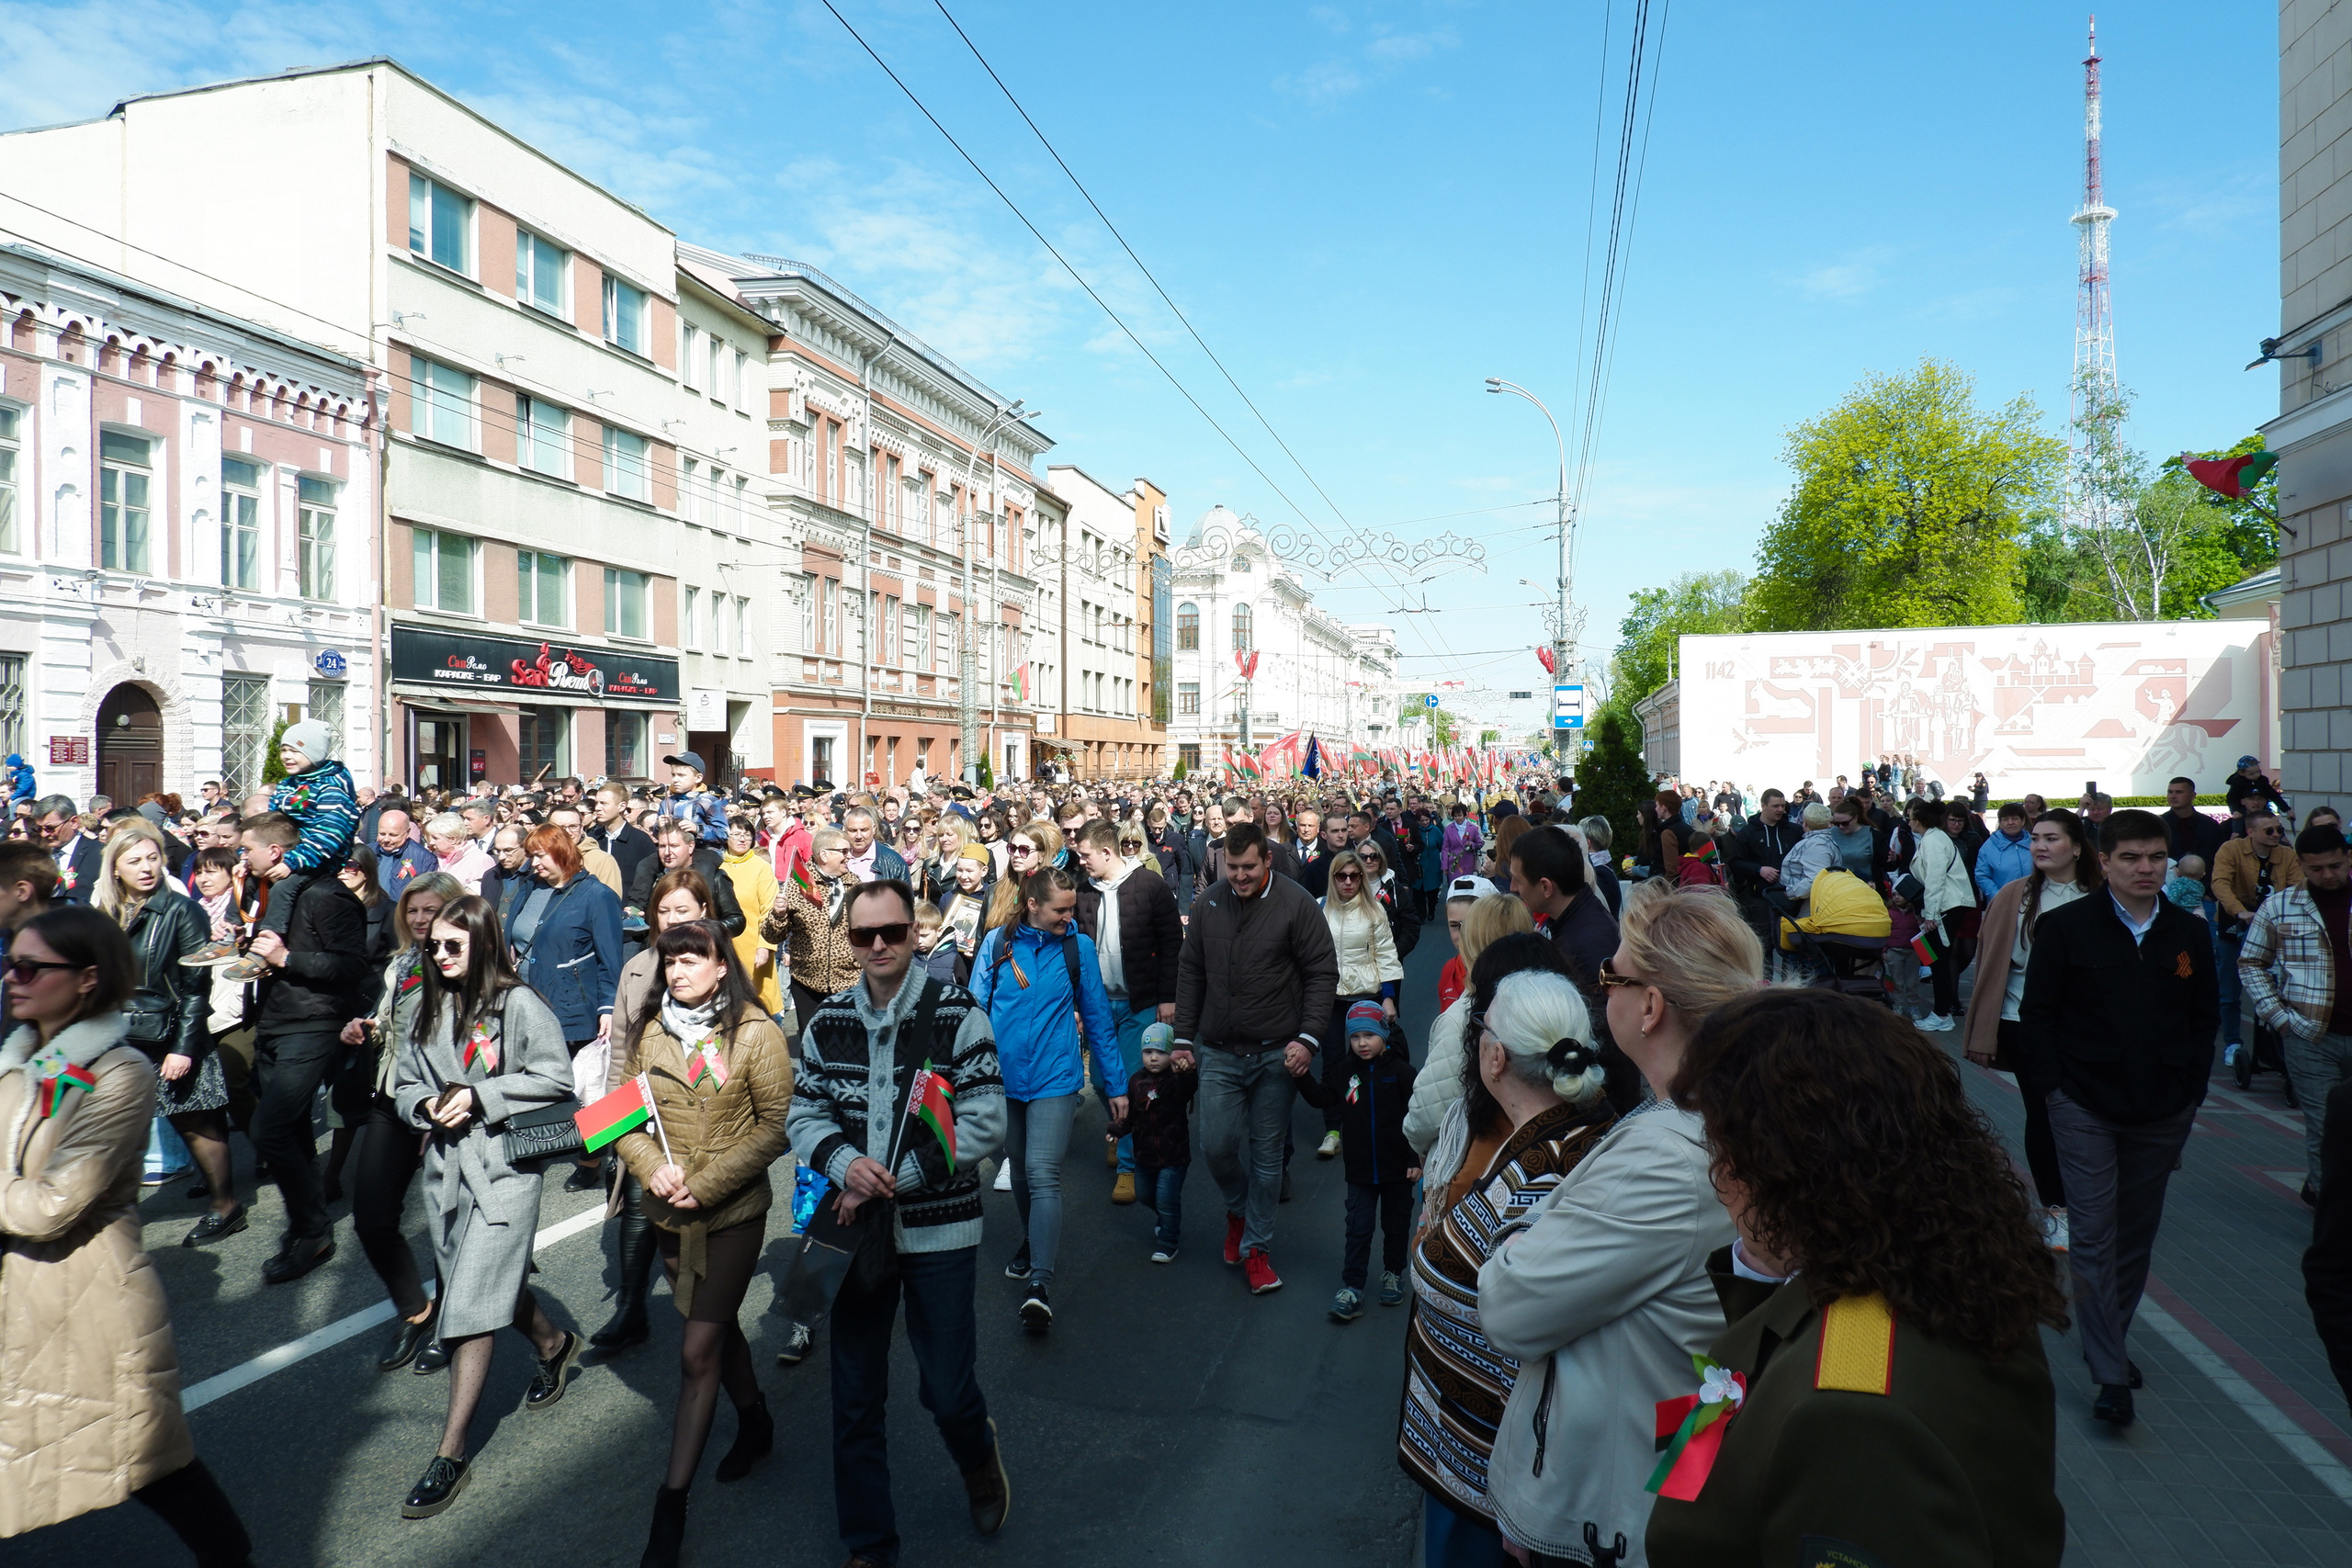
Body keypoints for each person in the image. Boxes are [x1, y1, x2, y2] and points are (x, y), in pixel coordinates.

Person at [1645, 988, 2068, 1568]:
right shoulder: (1931, 1268)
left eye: (1725, 1147)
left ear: (1794, 1168)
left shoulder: (1850, 1413)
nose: (1719, 1176)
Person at [1476, 883, 1760, 1565]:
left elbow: (1510, 1306)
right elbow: (1720, 1361)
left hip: (1609, 1521)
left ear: (1652, 1005)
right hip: (1646, 1484)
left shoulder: (1673, 1153)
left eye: (1611, 975)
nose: (1605, 993)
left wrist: (1518, 1238)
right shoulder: (1717, 1117)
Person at [0, 905, 254, 1564]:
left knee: (148, 1462)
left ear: (87, 978)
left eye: (30, 966)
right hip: (24, 1294)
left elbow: (56, 1200)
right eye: (11, 961)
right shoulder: (22, 1057)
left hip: (82, 1298)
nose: (12, 976)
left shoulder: (115, 1071)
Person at [786, 878, 1011, 1566]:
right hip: (855, 1236)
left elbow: (984, 1121)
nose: (878, 944)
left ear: (917, 933)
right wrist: (847, 1163)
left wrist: (896, 1177)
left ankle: (977, 1456)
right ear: (848, 942)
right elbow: (804, 1114)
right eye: (863, 935)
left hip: (940, 1227)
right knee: (854, 1396)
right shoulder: (827, 1023)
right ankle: (869, 1543)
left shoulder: (959, 1014)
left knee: (945, 1388)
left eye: (891, 931)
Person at [1403, 955, 1615, 1568]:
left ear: (1495, 1059)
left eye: (1482, 1032)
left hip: (1496, 1482)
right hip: (1479, 1456)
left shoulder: (1540, 1180)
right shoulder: (1583, 1133)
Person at [2017, 807, 2217, 1427]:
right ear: (2102, 860)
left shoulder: (2187, 930)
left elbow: (2203, 1017)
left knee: (2135, 1232)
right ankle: (2109, 1372)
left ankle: (2109, 1334)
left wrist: (2190, 1091)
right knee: (2095, 1232)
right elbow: (2038, 1015)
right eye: (2130, 857)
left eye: (2155, 856)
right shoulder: (2067, 927)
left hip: (2162, 1108)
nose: (2145, 868)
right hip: (2082, 1104)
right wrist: (2054, 1091)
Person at [389, 895, 582, 1518]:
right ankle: (553, 1343)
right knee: (487, 1282)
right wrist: (423, 1107)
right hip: (445, 1173)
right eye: (432, 946)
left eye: (453, 945)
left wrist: (480, 1094)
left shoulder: (519, 1003)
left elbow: (557, 1078)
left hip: (504, 1172)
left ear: (483, 944)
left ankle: (450, 1450)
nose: (439, 955)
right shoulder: (420, 1004)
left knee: (470, 1304)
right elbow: (404, 1082)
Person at [609, 919, 795, 1566]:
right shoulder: (650, 1029)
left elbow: (776, 1127)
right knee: (714, 1331)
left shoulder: (756, 1030)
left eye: (694, 958)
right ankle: (755, 1419)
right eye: (671, 960)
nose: (680, 970)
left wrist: (707, 1181)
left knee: (694, 1351)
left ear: (723, 966)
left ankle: (671, 1507)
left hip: (734, 1212)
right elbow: (616, 1114)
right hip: (667, 1212)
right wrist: (647, 1164)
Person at [1171, 820, 1340, 1295]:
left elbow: (1321, 972)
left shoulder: (1296, 904)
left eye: (1249, 867)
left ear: (1267, 860)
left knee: (1267, 1158)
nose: (1240, 876)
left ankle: (1258, 1249)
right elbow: (1190, 973)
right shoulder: (1207, 904)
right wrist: (1183, 1038)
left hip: (1275, 1053)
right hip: (1220, 1052)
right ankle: (1238, 1213)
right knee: (1217, 1145)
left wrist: (1308, 1039)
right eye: (1232, 867)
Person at [969, 865, 1123, 1330]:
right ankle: (1032, 1239)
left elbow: (1097, 1019)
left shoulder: (1078, 948)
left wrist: (1114, 1087)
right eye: (1061, 909)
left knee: (1041, 1172)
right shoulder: (997, 944)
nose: (1069, 916)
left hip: (1056, 1077)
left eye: (1072, 908)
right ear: (1032, 905)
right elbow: (973, 1012)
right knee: (1016, 1168)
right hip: (1004, 1079)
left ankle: (1040, 1282)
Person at [92, 820, 243, 1247]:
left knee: (197, 1124)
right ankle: (108, 1212)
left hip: (171, 1034)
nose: (146, 868)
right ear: (115, 867)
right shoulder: (105, 911)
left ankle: (225, 1206)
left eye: (153, 858)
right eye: (134, 860)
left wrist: (183, 1049)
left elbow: (196, 987)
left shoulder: (181, 909)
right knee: (114, 1127)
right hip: (118, 1036)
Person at [339, 872, 465, 1374]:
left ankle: (452, 1322)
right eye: (412, 911)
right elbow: (393, 1023)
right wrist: (366, 1026)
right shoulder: (401, 963)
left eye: (430, 911)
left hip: (443, 1108)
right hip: (392, 1097)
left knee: (446, 1222)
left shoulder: (460, 967)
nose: (418, 920)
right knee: (370, 1216)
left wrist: (442, 1111)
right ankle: (416, 1310)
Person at [239, 811, 371, 1285]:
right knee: (289, 1130)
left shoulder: (326, 894)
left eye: (247, 848)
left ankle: (312, 1227)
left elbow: (352, 965)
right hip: (275, 1019)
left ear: (275, 851)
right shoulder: (269, 890)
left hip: (313, 1025)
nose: (241, 856)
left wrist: (287, 958)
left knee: (268, 1129)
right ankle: (307, 1225)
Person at [1962, 807, 2099, 1250]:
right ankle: (2056, 1209)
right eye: (2036, 838)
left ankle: (2093, 1202)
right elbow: (1990, 966)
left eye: (2051, 838)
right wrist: (1982, 1032)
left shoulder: (2103, 896)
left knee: (2092, 1113)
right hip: (2025, 1024)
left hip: (2091, 1026)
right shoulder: (2014, 896)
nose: (2040, 845)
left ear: (2077, 847)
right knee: (2044, 1114)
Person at [1069, 820, 1183, 1203]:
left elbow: (1172, 944)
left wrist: (1168, 997)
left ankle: (1129, 1166)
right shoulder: (1083, 890)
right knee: (1102, 1081)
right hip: (1099, 1003)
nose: (1080, 861)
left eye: (1085, 854)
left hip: (1142, 1001)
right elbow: (1074, 949)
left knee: (1134, 1082)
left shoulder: (1149, 885)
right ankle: (1122, 1127)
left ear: (1107, 851)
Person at [2239, 822, 2352, 1204]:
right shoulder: (2280, 905)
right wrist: (2280, 1018)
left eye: (2335, 866)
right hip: (2310, 1034)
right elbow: (2251, 963)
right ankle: (2330, 1210)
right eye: (2316, 868)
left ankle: (2324, 1188)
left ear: (2348, 858)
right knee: (2325, 1126)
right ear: (2301, 864)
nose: (2328, 875)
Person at [1293, 999, 1419, 1321]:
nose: (1362, 1044)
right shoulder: (1344, 1072)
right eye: (1354, 1037)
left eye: (1369, 1035)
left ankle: (1393, 1273)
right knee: (1358, 1228)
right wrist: (1301, 1076)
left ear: (1383, 1035)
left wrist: (1415, 1158)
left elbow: (1417, 1119)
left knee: (1395, 1226)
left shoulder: (1403, 1073)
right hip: (1361, 1170)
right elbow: (1323, 1098)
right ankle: (1352, 1288)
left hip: (1398, 1169)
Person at [1317, 850, 1404, 1160]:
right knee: (1331, 1062)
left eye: (1355, 876)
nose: (1349, 882)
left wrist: (1389, 996)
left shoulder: (1374, 910)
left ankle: (1369, 1119)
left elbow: (1386, 953)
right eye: (1342, 876)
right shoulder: (1320, 909)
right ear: (1333, 878)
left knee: (1368, 1059)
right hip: (1329, 996)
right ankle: (1333, 1129)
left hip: (1365, 994)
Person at [2214, 809, 2303, 1066]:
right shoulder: (2230, 850)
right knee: (2229, 990)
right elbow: (2220, 883)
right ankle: (2232, 1043)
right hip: (2236, 924)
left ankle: (2274, 1043)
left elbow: (2297, 888)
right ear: (2250, 832)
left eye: (2279, 829)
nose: (2276, 834)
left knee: (2275, 987)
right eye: (2269, 831)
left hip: (2275, 928)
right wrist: (2240, 912)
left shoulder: (2287, 855)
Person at [1103, 1022, 1194, 1263]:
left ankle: (1168, 1242)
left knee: (1166, 1198)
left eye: (1161, 1052)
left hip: (1173, 1155)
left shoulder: (1176, 1080)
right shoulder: (1135, 1082)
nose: (1154, 1058)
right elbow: (1130, 1116)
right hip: (1143, 1155)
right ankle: (1166, 1218)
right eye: (1148, 1052)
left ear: (1171, 1054)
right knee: (1144, 1195)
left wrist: (1187, 1071)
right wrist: (1117, 1129)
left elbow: (1189, 1088)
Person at [761, 825, 863, 1032]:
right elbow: (771, 936)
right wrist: (778, 915)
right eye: (843, 851)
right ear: (824, 855)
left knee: (846, 1042)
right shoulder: (798, 885)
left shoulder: (856, 886)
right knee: (812, 1043)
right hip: (807, 982)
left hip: (849, 980)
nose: (849, 856)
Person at [1908, 797, 1973, 1032]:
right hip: (1947, 905)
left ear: (1918, 820)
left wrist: (1930, 915)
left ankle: (1942, 1014)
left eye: (1910, 817)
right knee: (1938, 960)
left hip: (1947, 906)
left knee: (1939, 961)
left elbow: (1935, 879)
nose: (1908, 820)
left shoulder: (1934, 841)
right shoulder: (1934, 838)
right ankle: (1941, 1012)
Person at [591, 783, 659, 890]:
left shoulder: (641, 841)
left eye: (604, 803)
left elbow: (650, 879)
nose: (598, 808)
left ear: (622, 806)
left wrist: (635, 906)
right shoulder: (592, 839)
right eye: (596, 803)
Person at [655, 750, 729, 848]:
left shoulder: (709, 802)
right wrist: (658, 827)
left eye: (681, 775)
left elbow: (723, 834)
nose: (675, 779)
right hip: (672, 853)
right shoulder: (667, 803)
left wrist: (697, 829)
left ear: (698, 778)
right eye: (673, 774)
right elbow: (657, 836)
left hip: (703, 853)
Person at [1974, 801, 2034, 902]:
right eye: (2005, 820)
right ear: (2000, 823)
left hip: (2034, 901)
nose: (2010, 823)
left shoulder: (2034, 844)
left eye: (2015, 819)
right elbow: (1982, 876)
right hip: (2003, 903)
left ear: (2023, 821)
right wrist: (1998, 896)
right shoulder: (1989, 847)